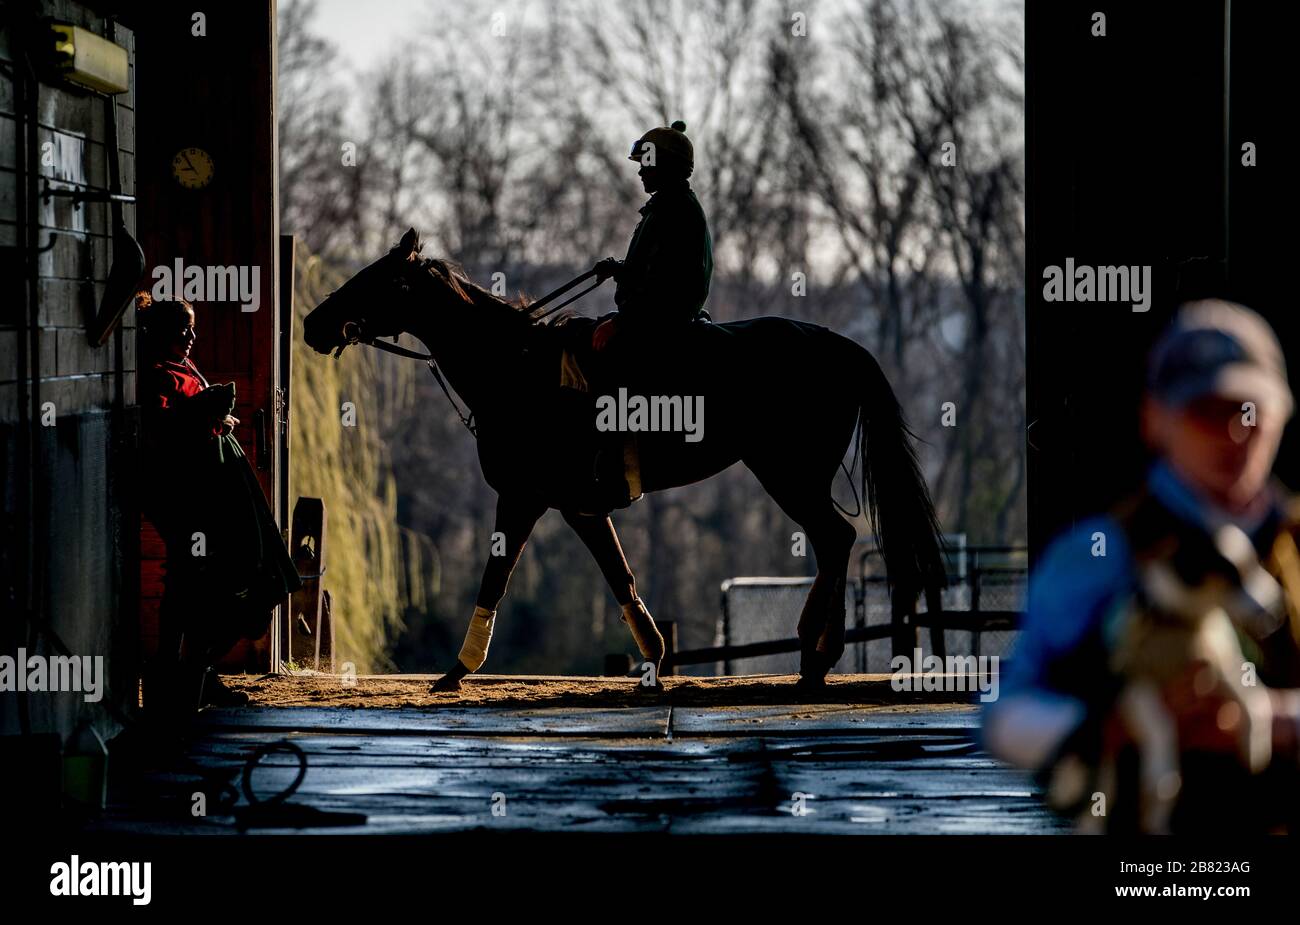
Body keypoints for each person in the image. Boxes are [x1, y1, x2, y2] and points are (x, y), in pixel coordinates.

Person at [984, 299, 1300, 832]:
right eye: (1206, 409)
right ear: (1155, 420)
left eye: (1250, 409)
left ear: (1282, 413)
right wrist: (1108, 726)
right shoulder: (1097, 555)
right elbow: (1005, 716)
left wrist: (1270, 719)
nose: (1234, 433)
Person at [137, 292, 301, 715]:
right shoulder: (156, 373)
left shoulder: (182, 366)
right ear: (159, 332)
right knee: (195, 580)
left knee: (222, 578)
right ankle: (182, 675)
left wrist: (214, 416)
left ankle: (197, 671)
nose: (191, 336)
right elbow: (160, 431)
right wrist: (208, 413)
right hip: (185, 496)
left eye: (192, 327)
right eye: (182, 328)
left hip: (212, 492)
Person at [582, 120, 714, 510]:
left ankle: (622, 471)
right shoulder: (667, 207)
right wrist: (620, 269)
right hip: (656, 315)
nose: (640, 170)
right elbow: (653, 271)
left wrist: (621, 322)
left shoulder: (674, 210)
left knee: (609, 366)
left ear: (668, 168)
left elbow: (665, 287)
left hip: (661, 321)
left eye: (647, 164)